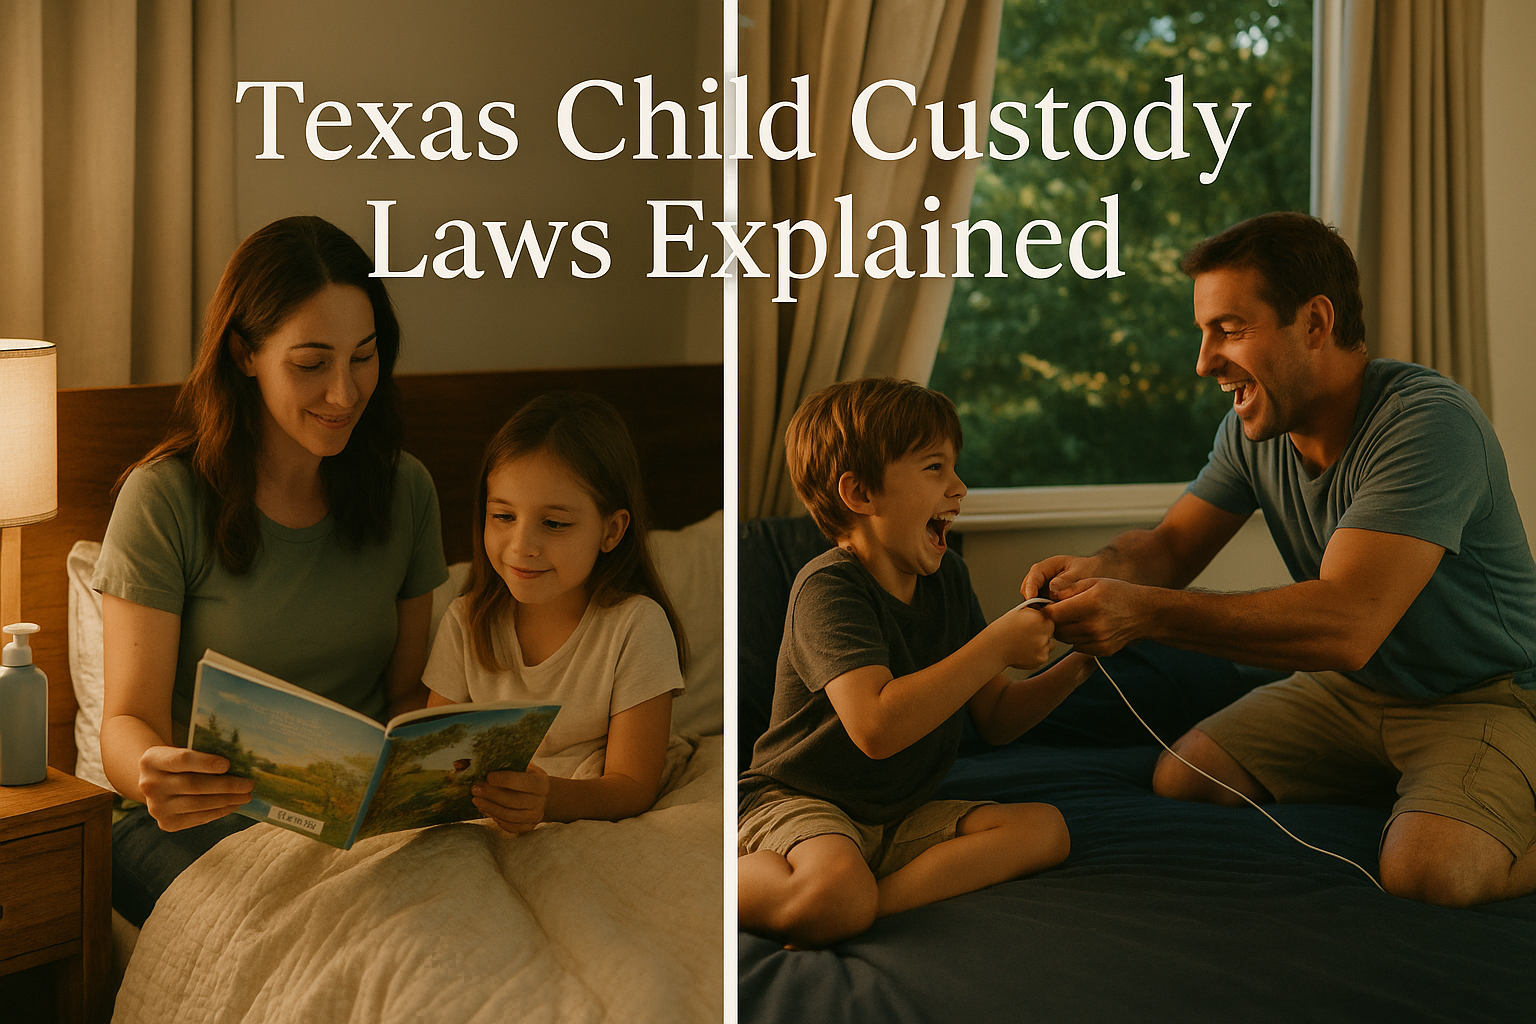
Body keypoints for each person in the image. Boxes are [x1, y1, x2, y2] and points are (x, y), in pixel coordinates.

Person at [1022, 211, 1536, 908]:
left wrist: (1142, 614)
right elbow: (1171, 546)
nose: (1204, 362)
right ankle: (1415, 778)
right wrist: (1096, 570)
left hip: (1484, 693)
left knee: (1430, 875)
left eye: (1228, 330)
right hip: (1359, 692)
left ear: (1315, 323)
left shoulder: (1427, 423)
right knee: (1184, 775)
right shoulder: (1255, 429)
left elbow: (1347, 624)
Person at [96, 216, 449, 926]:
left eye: (365, 356)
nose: (345, 394)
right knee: (305, 935)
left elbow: (407, 693)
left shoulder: (405, 490)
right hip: (192, 822)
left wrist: (437, 771)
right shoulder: (164, 497)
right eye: (312, 363)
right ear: (245, 352)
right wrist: (155, 770)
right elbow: (127, 720)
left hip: (348, 827)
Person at [737, 377, 1095, 949]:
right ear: (860, 494)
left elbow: (997, 716)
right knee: (832, 887)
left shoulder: (947, 577)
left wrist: (1083, 662)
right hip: (802, 802)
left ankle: (866, 902)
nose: (960, 488)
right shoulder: (829, 588)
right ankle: (740, 872)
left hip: (897, 814)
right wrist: (997, 644)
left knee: (1045, 831)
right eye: (935, 469)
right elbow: (876, 729)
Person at [422, 392, 687, 831]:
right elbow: (433, 757)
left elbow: (634, 786)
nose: (522, 547)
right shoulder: (465, 622)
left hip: (584, 810)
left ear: (612, 530)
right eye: (503, 516)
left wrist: (549, 799)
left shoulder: (635, 626)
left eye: (555, 523)